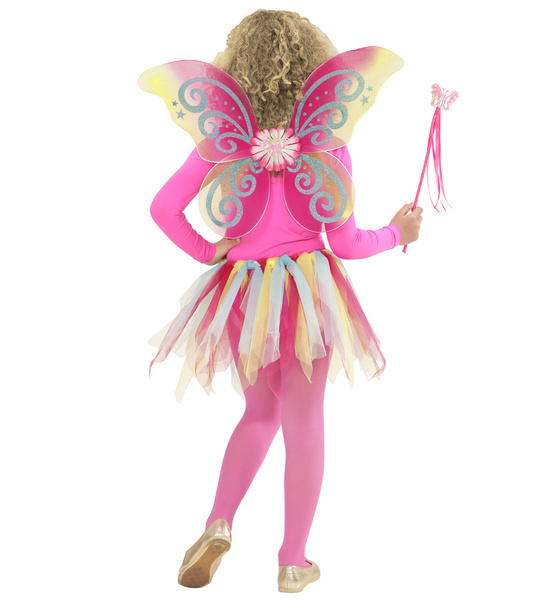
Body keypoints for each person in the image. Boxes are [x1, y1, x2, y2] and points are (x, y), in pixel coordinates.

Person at [144, 9, 423, 593]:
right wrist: (399, 232)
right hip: (307, 296)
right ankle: (293, 561)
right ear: (314, 69)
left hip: (241, 294)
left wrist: (210, 251)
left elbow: (163, 209)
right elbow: (346, 244)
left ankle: (218, 524)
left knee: (259, 413)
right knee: (303, 422)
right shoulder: (327, 148)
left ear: (235, 69)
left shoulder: (220, 147)